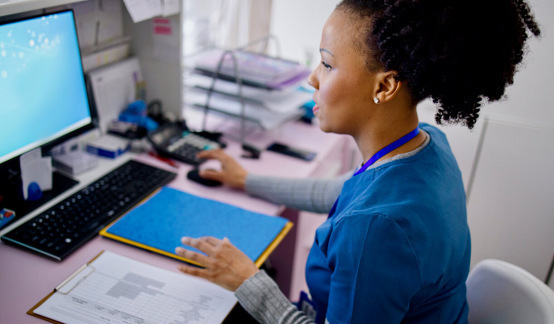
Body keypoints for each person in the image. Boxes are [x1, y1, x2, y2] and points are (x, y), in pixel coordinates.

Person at [174, 0, 541, 323]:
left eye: (327, 64)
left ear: (384, 87)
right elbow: (344, 192)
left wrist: (247, 281)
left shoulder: (373, 230)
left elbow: (365, 215)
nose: (312, 78)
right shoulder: (428, 146)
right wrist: (247, 180)